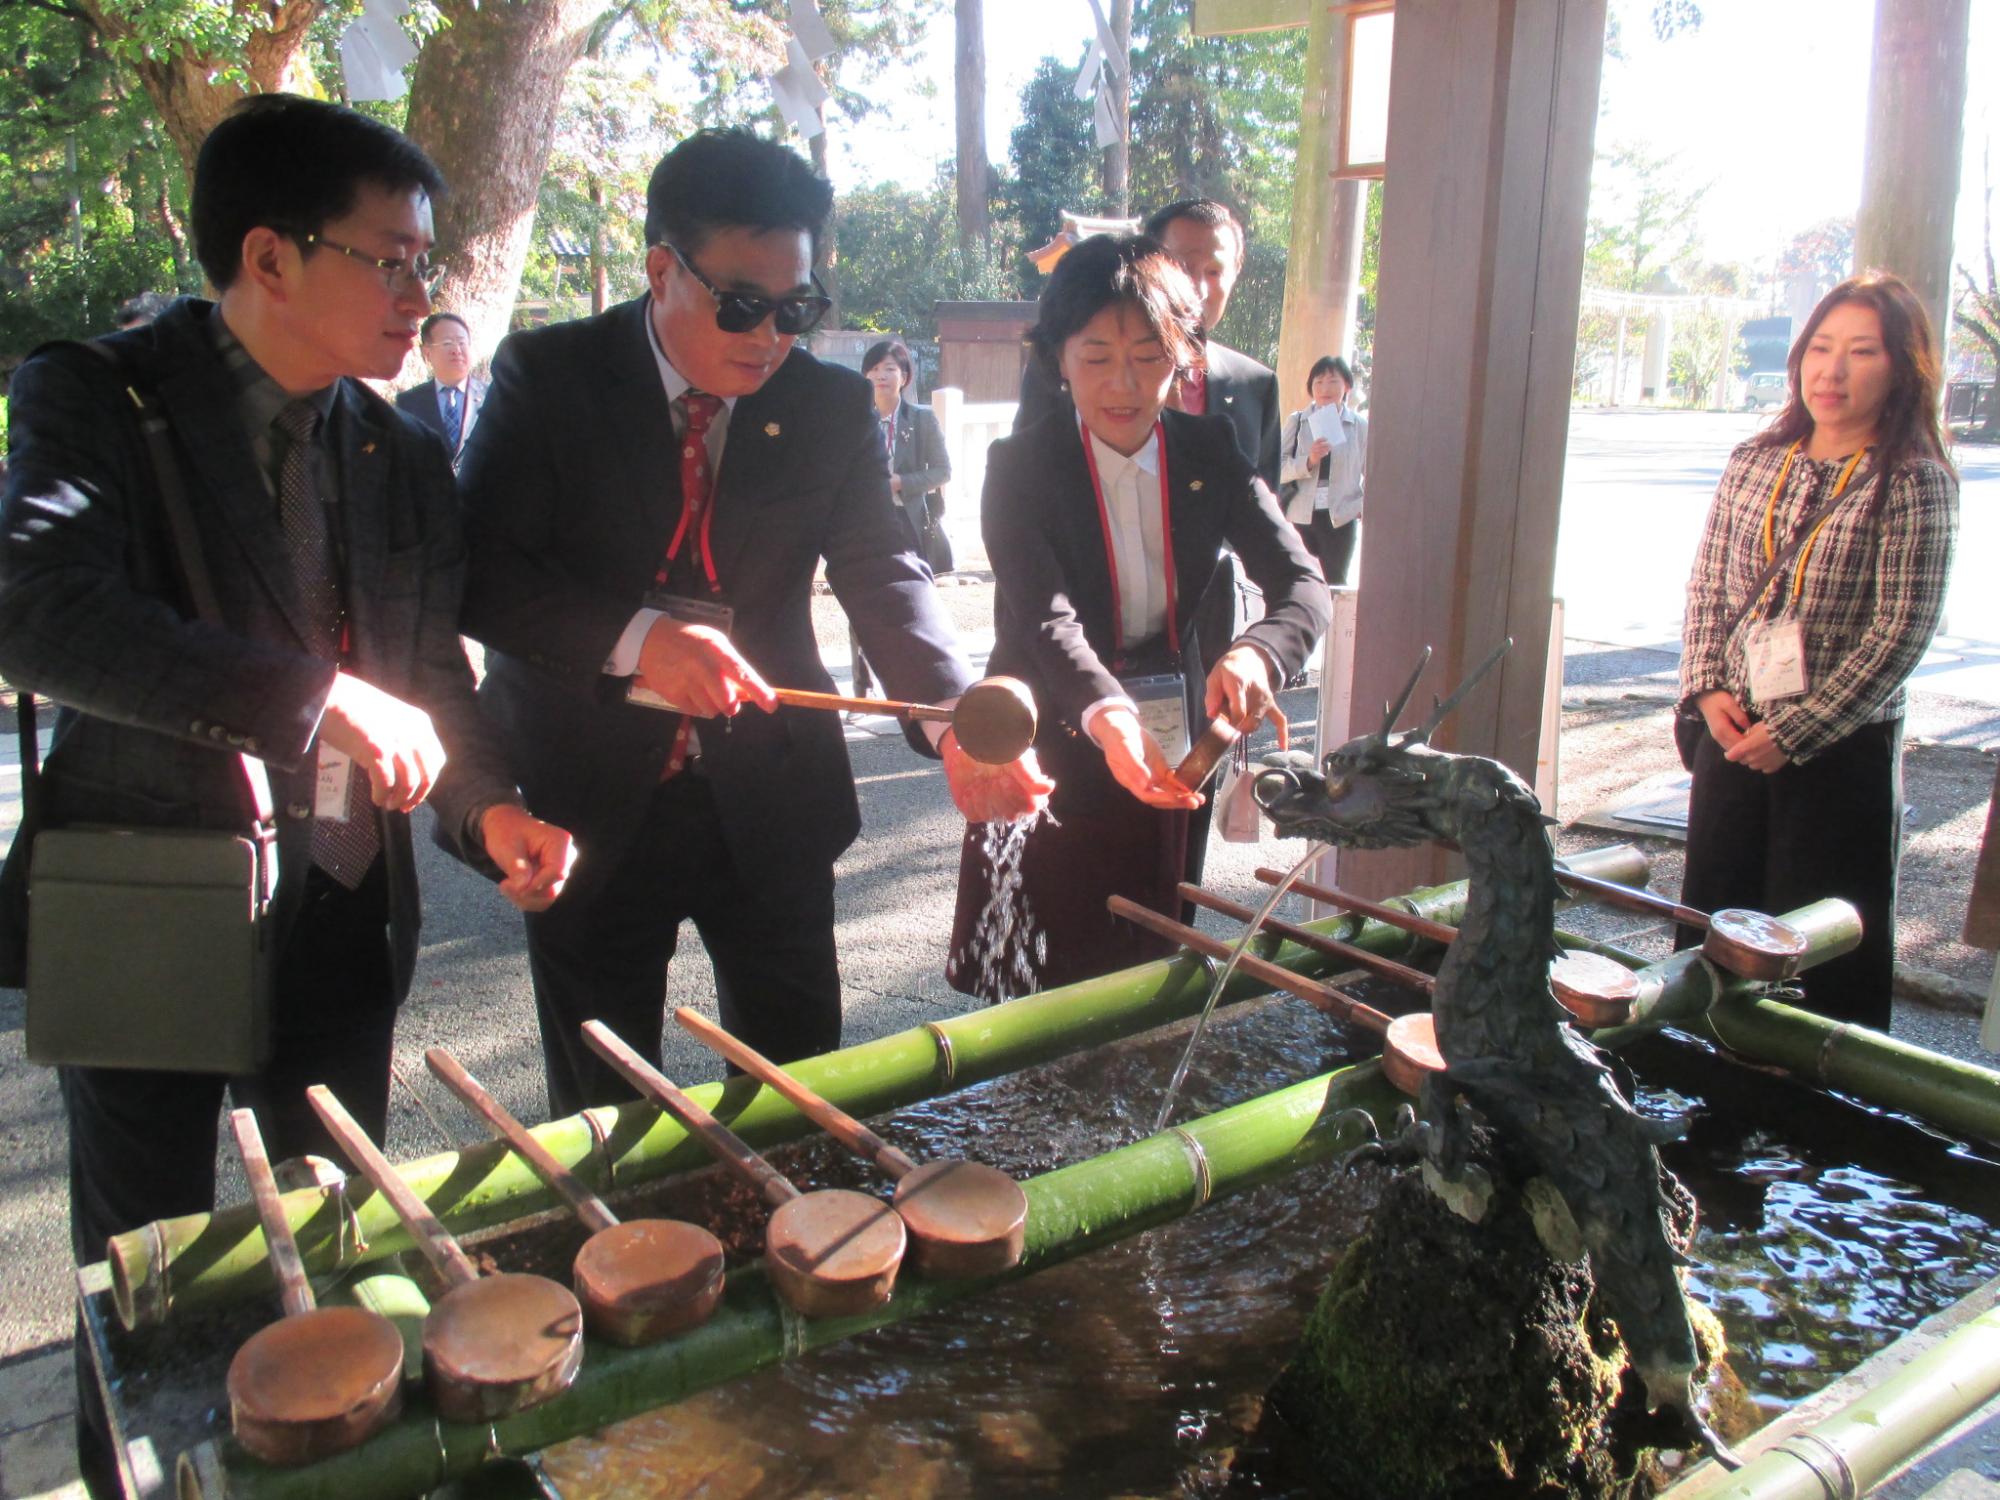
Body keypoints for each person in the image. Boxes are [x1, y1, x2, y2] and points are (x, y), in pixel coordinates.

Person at [0, 94, 574, 1494]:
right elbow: (38, 609)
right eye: (391, 259)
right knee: (138, 1271)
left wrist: (486, 808)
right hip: (146, 895)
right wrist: (313, 699)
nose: (419, 294)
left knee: (322, 1234)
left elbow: (432, 675)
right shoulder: (103, 396)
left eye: (425, 262)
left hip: (339, 897)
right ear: (269, 257)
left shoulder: (398, 451)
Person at [457, 128, 1052, 1116]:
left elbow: (880, 566)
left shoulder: (824, 404)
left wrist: (948, 711)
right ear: (660, 270)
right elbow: (482, 573)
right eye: (742, 305)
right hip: (587, 798)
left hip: (769, 789)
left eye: (797, 307)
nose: (771, 334)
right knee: (604, 1105)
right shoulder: (550, 378)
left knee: (796, 1087)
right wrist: (640, 637)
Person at [948, 234, 1329, 996]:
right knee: (1046, 965)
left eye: (1150, 354)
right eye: (1096, 356)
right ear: (1057, 358)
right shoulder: (1019, 468)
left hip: (1175, 738)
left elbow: (1301, 583)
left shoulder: (1209, 450)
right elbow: (1045, 621)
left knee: (1153, 945)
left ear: (1185, 355)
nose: (1123, 383)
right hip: (1052, 728)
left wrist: (1258, 653)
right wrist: (1105, 715)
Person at [1675, 271, 1959, 1030]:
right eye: (1822, 348)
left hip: (1839, 752)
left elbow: (1901, 630)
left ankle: (1821, 1109)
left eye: (1862, 352)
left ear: (1902, 368)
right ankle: (1707, 1071)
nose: (1832, 371)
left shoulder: (1913, 480)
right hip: (1733, 731)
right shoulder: (1756, 460)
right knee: (1716, 916)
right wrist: (1708, 689)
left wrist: (1796, 732)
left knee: (1820, 942)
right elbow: (1707, 588)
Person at [851, 337, 952, 700]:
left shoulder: (921, 419)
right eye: (875, 369)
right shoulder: (853, 419)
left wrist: (901, 482)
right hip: (863, 525)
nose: (882, 375)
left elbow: (942, 471)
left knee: (915, 603)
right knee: (861, 601)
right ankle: (861, 681)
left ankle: (921, 682)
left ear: (905, 376)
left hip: (908, 522)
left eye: (890, 369)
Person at [1278, 355, 1367, 586]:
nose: (1325, 389)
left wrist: (1362, 505)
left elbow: (1373, 471)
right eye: (1318, 382)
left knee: (1334, 584)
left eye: (1333, 382)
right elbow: (1277, 467)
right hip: (1301, 516)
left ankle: (1332, 624)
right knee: (1298, 582)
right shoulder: (1297, 422)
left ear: (1346, 386)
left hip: (1341, 517)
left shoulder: (1359, 426)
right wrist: (1309, 460)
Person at [395, 310, 486, 466]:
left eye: (462, 342)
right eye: (447, 343)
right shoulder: (408, 403)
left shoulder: (492, 397)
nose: (456, 350)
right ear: (427, 353)